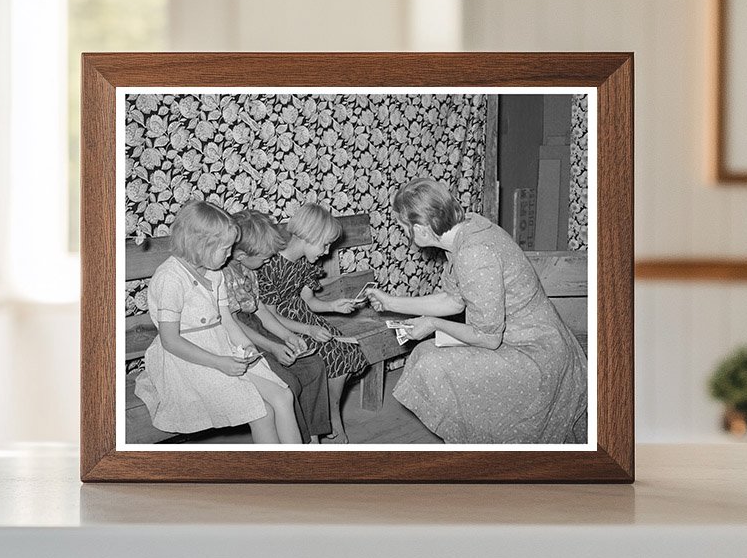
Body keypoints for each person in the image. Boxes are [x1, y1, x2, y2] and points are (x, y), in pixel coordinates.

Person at [367, 178, 587, 445]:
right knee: (425, 356)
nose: (404, 233)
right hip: (525, 340)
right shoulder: (464, 231)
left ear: (423, 228)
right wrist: (391, 302)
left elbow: (488, 337)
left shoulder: (474, 254)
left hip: (537, 355)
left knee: (430, 364)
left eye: (404, 227)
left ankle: (480, 445)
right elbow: (453, 300)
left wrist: (434, 324)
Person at [134, 200, 300, 444]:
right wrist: (219, 362)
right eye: (225, 249)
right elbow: (170, 342)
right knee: (261, 410)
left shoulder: (215, 272)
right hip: (188, 360)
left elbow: (227, 321)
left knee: (283, 396)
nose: (230, 255)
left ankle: (301, 467)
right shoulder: (170, 279)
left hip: (222, 347)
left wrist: (247, 348)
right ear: (201, 246)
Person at [257, 203, 368, 444]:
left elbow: (308, 300)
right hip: (283, 327)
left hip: (305, 318)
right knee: (329, 354)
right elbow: (270, 315)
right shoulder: (270, 264)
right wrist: (309, 329)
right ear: (309, 237)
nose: (327, 251)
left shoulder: (306, 263)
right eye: (325, 244)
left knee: (348, 351)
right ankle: (325, 421)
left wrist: (333, 305)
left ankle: (330, 415)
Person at [223, 209, 331, 443]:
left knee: (313, 366)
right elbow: (233, 324)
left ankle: (312, 437)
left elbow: (260, 310)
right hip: (239, 336)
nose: (269, 261)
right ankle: (296, 441)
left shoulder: (249, 270)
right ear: (241, 255)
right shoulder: (224, 275)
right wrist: (273, 347)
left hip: (257, 325)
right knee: (288, 383)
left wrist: (288, 336)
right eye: (265, 258)